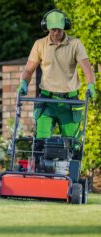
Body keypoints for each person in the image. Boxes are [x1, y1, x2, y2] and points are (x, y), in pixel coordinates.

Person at [18, 9, 97, 143]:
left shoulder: (75, 44)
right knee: (41, 142)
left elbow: (87, 69)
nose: (56, 33)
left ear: (65, 26)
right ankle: (39, 163)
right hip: (46, 101)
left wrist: (91, 85)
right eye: (53, 29)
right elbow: (29, 70)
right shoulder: (40, 44)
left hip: (69, 101)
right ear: (46, 28)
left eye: (59, 29)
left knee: (71, 144)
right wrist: (23, 83)